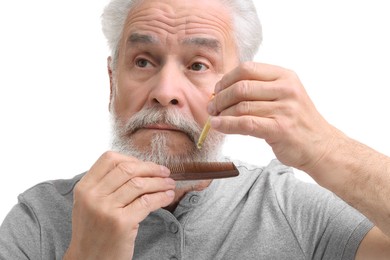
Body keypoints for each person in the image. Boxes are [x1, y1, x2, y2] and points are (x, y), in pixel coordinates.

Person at [1, 0, 390, 259]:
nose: (165, 92)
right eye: (142, 61)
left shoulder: (290, 206)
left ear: (240, 86)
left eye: (198, 65)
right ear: (111, 83)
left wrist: (324, 148)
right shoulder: (37, 219)